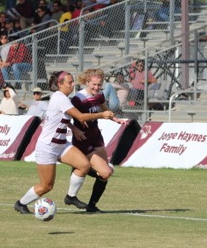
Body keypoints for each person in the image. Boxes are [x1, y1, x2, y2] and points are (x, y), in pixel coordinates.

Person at [13, 71, 116, 215]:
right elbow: (80, 116)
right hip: (47, 147)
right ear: (60, 85)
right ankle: (21, 203)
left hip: (61, 143)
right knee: (46, 186)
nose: (73, 84)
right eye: (70, 82)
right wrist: (102, 114)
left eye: (73, 81)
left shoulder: (63, 98)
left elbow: (62, 118)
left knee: (84, 165)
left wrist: (73, 128)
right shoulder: (60, 98)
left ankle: (71, 197)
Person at [70, 69, 125, 212]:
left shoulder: (99, 96)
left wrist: (116, 119)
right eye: (94, 84)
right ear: (86, 82)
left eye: (99, 84)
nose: (96, 87)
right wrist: (74, 128)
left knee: (104, 175)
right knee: (106, 172)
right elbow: (63, 117)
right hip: (82, 139)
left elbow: (106, 111)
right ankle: (79, 169)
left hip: (96, 137)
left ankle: (92, 206)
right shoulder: (78, 98)